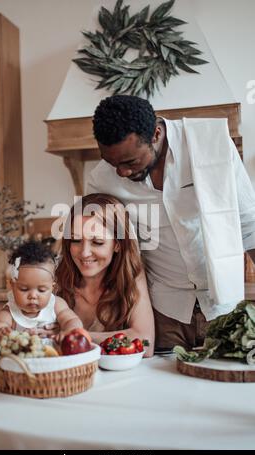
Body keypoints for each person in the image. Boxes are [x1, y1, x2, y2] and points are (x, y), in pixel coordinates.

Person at [87, 94, 255, 350]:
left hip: (223, 305)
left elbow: (249, 225)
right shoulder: (101, 179)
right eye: (113, 163)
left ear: (155, 134)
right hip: (163, 311)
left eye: (130, 162)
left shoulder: (211, 143)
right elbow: (98, 246)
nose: (122, 172)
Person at [54, 193, 155, 357]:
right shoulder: (53, 276)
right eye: (75, 240)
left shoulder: (131, 275)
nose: (84, 253)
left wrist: (77, 335)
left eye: (97, 242)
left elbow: (146, 342)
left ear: (117, 244)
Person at [0, 240, 84, 346]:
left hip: (54, 360)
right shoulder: (8, 313)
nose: (33, 296)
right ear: (12, 286)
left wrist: (69, 331)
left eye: (41, 290)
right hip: (21, 362)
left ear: (52, 287)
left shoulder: (56, 305)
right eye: (24, 289)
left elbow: (73, 321)